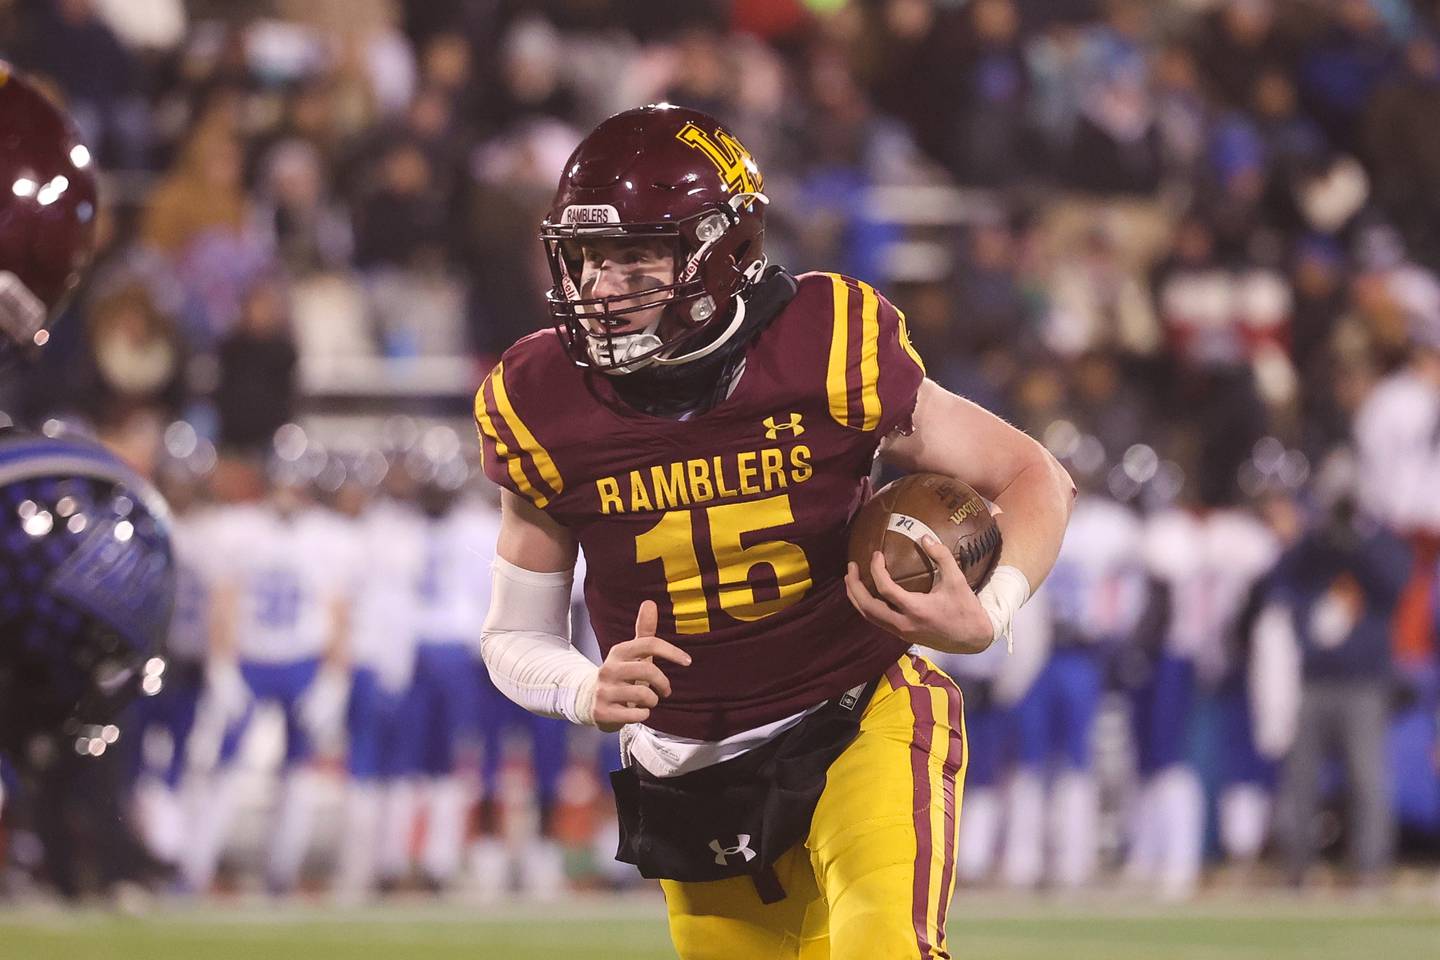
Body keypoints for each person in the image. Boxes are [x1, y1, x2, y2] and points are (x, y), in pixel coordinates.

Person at [474, 104, 1074, 958]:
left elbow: (1034, 476)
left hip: (856, 718)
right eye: (587, 259)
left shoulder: (825, 344)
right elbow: (511, 635)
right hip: (690, 769)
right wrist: (584, 689)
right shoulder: (539, 400)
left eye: (635, 256)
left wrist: (996, 606)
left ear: (718, 252)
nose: (601, 287)